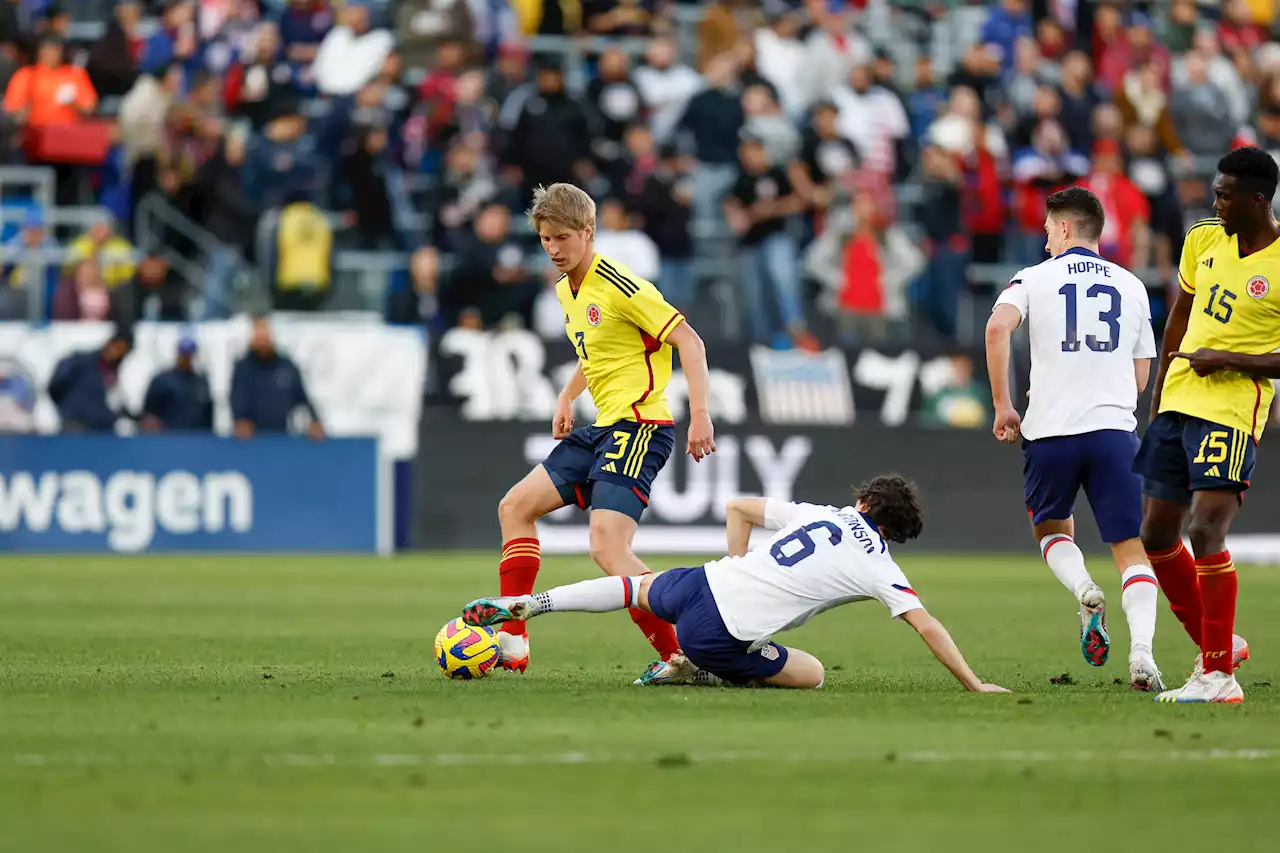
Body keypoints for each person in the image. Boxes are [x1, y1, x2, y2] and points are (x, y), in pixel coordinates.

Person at [462, 476, 1008, 693]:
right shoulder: (880, 566)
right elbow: (925, 624)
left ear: (863, 504)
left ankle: (532, 603)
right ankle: (698, 670)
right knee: (814, 674)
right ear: (893, 532)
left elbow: (739, 507)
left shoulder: (820, 513)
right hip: (720, 633)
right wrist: (973, 683)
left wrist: (736, 564)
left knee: (635, 587)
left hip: (703, 581)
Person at [494, 183, 715, 682]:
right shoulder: (564, 289)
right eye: (545, 239)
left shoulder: (622, 285)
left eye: (562, 238)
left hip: (640, 427)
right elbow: (595, 352)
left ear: (588, 232)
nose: (552, 249)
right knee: (515, 507)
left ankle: (683, 657)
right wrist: (567, 395)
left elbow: (690, 341)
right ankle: (512, 638)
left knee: (607, 547)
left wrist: (700, 413)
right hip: (602, 429)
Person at [985, 187, 1166, 692]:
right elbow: (1139, 376)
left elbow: (998, 330)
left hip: (1051, 434)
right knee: (1133, 552)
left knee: (1051, 530)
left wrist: (1003, 404)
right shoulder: (1133, 286)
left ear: (1064, 228)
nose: (1044, 242)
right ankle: (1144, 656)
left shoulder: (1033, 279)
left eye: (1047, 231)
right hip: (1114, 434)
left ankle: (1086, 590)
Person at [1135, 147, 1280, 704]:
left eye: (1224, 194)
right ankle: (1216, 648)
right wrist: (1158, 391)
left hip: (1233, 405)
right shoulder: (1202, 238)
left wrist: (1229, 360)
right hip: (1179, 399)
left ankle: (1219, 676)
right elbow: (1180, 312)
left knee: (1206, 530)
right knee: (1156, 535)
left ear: (1257, 199)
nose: (1214, 201)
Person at [230, 315, 324, 439]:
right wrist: (240, 420)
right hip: (252, 440)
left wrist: (315, 421)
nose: (262, 339)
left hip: (284, 437)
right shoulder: (243, 369)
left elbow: (302, 397)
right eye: (258, 335)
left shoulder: (286, 366)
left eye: (265, 334)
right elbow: (237, 399)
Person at [141, 335, 213, 432]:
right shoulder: (162, 380)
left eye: (190, 354)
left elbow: (208, 413)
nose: (187, 358)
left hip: (195, 437)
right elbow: (149, 412)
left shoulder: (201, 382)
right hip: (168, 437)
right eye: (184, 354)